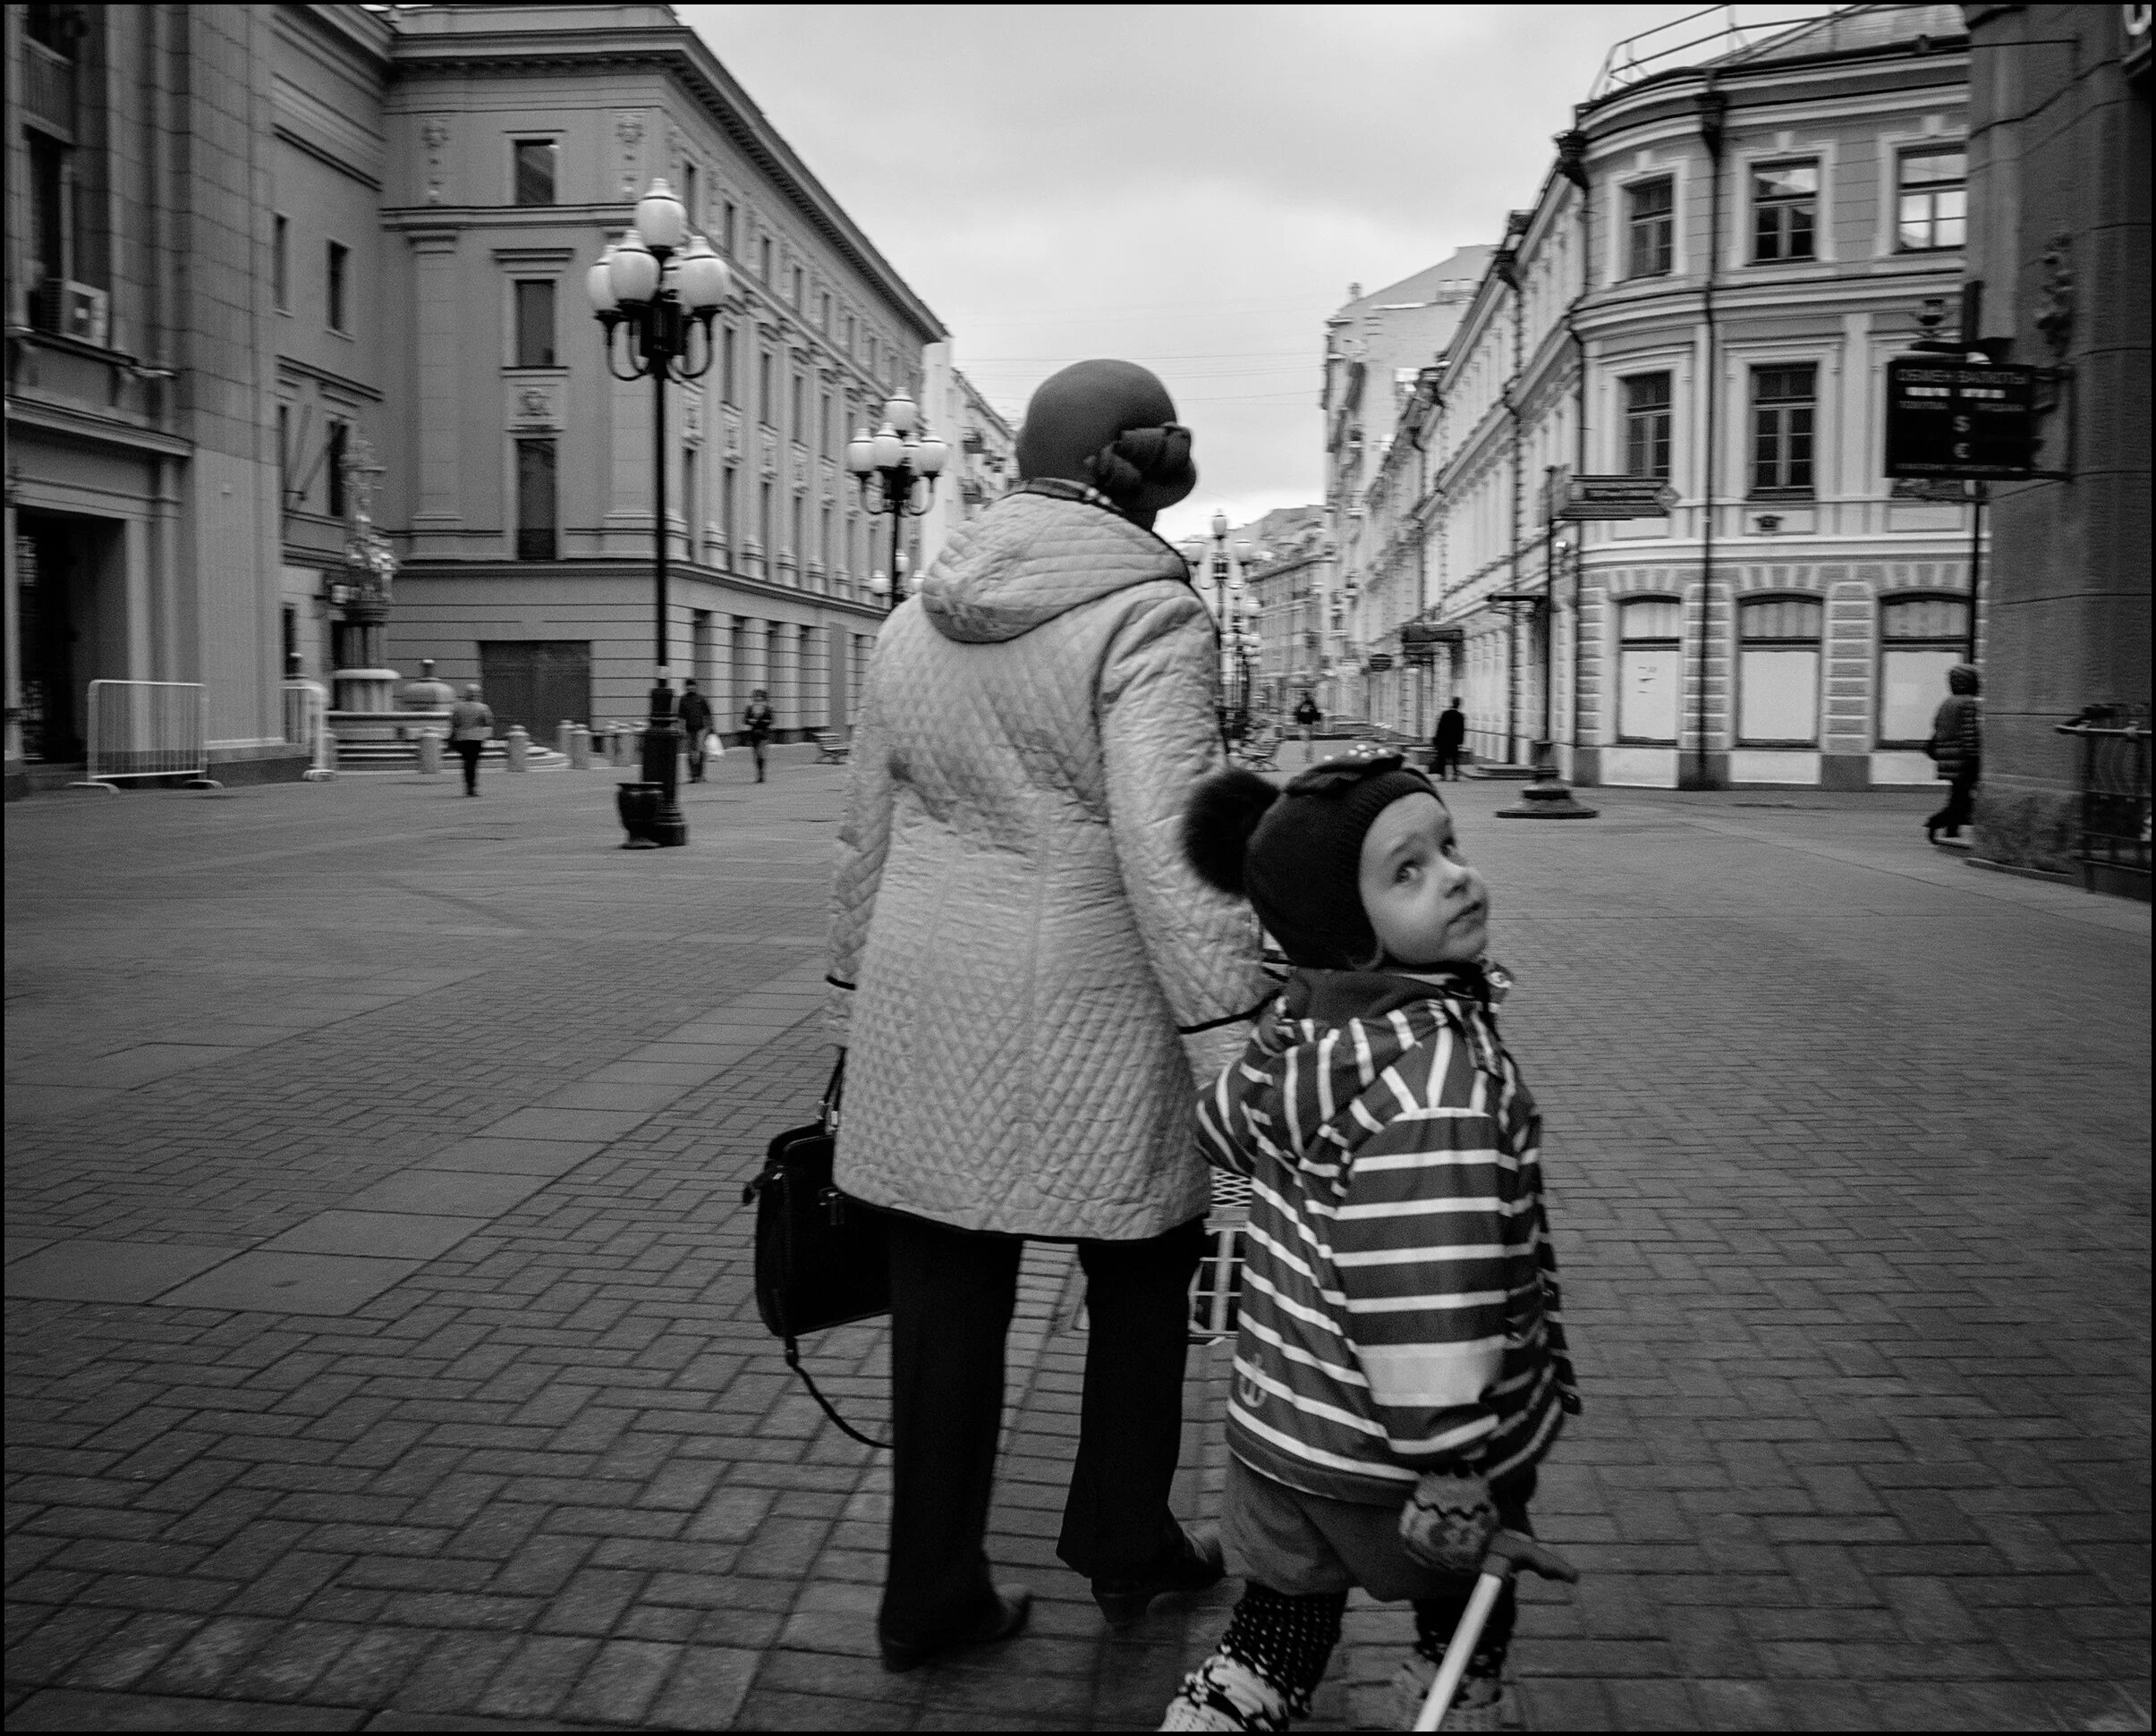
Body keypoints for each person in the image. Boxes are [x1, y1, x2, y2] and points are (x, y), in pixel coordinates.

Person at [826, 359, 1274, 1674]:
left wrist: (850, 1009)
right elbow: (1171, 845)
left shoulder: (916, 619)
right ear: (1143, 469)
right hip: (1092, 1002)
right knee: (1141, 1270)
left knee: (944, 1304)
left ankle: (929, 1593)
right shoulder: (1146, 617)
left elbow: (866, 832)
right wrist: (1232, 1038)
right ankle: (1122, 1535)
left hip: (924, 996)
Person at [1165, 750, 1580, 1732]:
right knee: (1464, 1621)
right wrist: (1452, 1461)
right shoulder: (1435, 1089)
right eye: (1408, 870)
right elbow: (1427, 1284)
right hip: (1402, 1461)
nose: (1454, 874)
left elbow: (1223, 1124)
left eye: (1447, 846)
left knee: (1273, 1640)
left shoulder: (1301, 1043)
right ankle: (1460, 1707)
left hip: (1282, 1433)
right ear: (1348, 939)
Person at [1923, 664, 1982, 846]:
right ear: (1970, 683)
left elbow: (1937, 727)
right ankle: (1935, 822)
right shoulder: (1968, 703)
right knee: (1961, 800)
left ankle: (1951, 831)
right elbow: (1969, 733)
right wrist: (1974, 756)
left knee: (1958, 796)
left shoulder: (1947, 703)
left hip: (1947, 759)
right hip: (1963, 759)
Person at [446, 684, 492, 796]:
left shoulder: (457, 707)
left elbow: (454, 722)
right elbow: (488, 722)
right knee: (473, 762)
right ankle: (471, 787)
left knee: (467, 762)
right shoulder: (483, 707)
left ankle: (468, 785)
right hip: (476, 738)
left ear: (466, 694)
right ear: (477, 695)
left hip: (461, 738)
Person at [678, 680, 715, 783]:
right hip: (688, 729)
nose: (690, 688)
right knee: (690, 752)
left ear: (695, 687)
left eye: (692, 686)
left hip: (701, 729)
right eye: (688, 686)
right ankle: (693, 775)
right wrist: (681, 729)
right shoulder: (683, 699)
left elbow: (708, 714)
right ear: (686, 687)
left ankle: (700, 774)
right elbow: (681, 716)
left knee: (700, 750)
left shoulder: (701, 699)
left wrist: (710, 727)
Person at [1431, 695, 1467, 782]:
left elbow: (1440, 728)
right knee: (1454, 759)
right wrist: (1461, 742)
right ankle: (1455, 775)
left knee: (1442, 758)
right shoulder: (1460, 716)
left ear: (1452, 703)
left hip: (1443, 741)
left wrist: (1436, 740)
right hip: (1454, 742)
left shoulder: (1445, 714)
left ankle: (1443, 775)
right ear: (1459, 705)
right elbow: (1462, 730)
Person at [742, 688, 775, 783]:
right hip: (754, 734)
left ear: (763, 698)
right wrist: (750, 721)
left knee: (760, 752)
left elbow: (771, 720)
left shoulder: (767, 708)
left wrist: (761, 721)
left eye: (759, 697)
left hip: (764, 734)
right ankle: (759, 772)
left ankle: (761, 774)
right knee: (756, 755)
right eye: (755, 697)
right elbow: (744, 720)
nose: (757, 699)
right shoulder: (750, 708)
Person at [1293, 692, 1321, 765]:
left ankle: (1305, 758)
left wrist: (1298, 723)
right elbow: (1317, 716)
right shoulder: (1312, 705)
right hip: (1311, 726)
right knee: (1310, 743)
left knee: (1304, 743)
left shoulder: (1301, 706)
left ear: (1303, 697)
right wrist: (1316, 724)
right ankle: (1310, 758)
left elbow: (1296, 716)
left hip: (1303, 726)